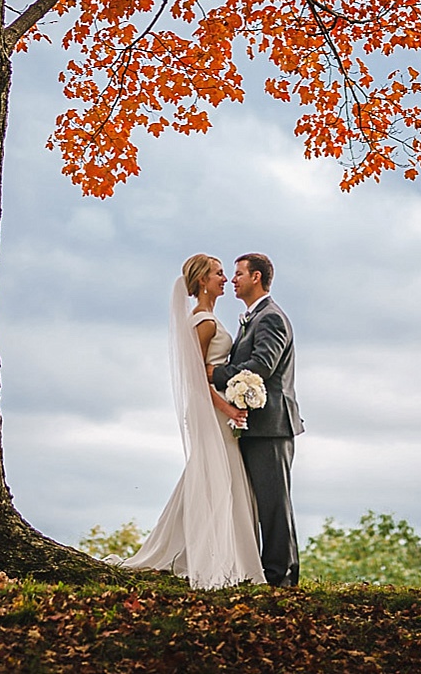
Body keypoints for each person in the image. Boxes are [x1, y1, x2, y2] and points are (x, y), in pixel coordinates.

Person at [126, 254, 266, 588]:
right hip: (211, 411)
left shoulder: (208, 317)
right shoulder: (203, 321)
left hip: (214, 408)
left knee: (213, 477)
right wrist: (228, 408)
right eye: (218, 274)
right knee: (218, 478)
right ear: (202, 281)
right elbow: (195, 378)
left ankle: (206, 549)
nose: (224, 279)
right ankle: (216, 557)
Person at [210, 252, 302, 587]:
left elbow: (263, 365)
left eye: (238, 274)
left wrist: (216, 374)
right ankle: (262, 571)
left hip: (272, 427)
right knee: (258, 503)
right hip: (255, 427)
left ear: (257, 278)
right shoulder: (251, 317)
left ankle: (282, 578)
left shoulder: (271, 318)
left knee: (274, 504)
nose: (232, 280)